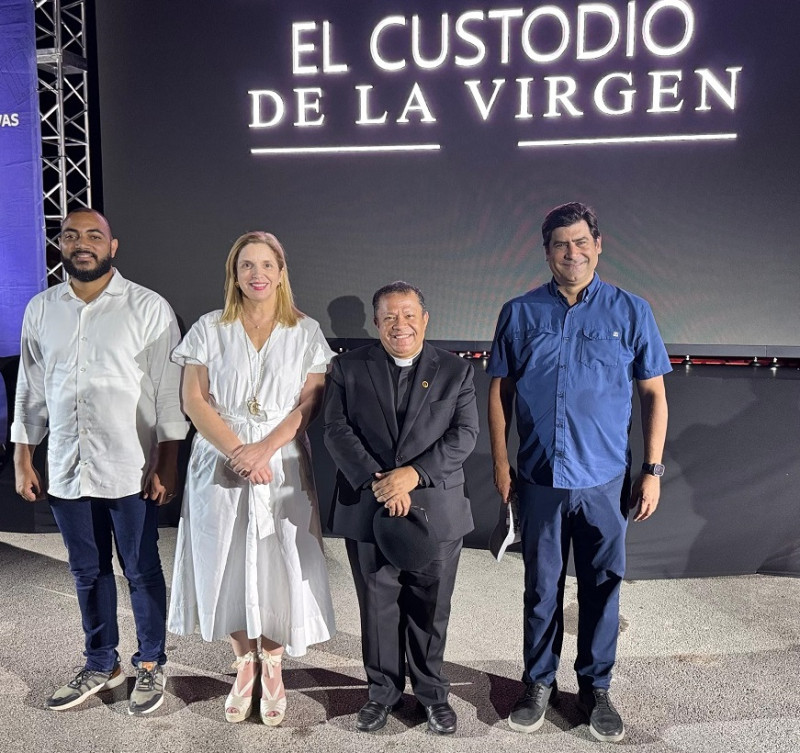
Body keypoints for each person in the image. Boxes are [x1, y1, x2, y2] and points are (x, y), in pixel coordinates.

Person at [487, 202, 670, 743]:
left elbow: (654, 394)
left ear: (598, 244)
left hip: (604, 482)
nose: (572, 253)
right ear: (547, 252)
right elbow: (499, 391)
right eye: (561, 244)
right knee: (541, 589)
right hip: (539, 479)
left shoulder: (631, 312)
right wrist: (500, 464)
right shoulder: (519, 313)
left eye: (581, 242)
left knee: (601, 588)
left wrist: (653, 469)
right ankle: (538, 684)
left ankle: (596, 688)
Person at [12, 207, 188, 715]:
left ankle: (150, 662)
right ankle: (100, 662)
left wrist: (167, 460)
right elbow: (31, 389)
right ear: (60, 246)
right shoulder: (41, 309)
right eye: (71, 235)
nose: (81, 243)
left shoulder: (148, 307)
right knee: (86, 570)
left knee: (141, 568)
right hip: (68, 465)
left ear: (113, 247)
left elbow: (169, 392)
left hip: (131, 465)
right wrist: (24, 456)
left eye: (93, 235)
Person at [167, 231, 335, 726]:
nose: (256, 274)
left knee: (281, 560)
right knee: (226, 557)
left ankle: (274, 665)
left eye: (266, 265)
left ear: (281, 273)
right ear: (234, 274)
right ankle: (245, 663)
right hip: (219, 458)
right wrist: (239, 451)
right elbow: (194, 400)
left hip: (282, 461)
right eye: (246, 265)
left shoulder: (306, 331)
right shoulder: (208, 327)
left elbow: (310, 402)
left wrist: (264, 449)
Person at [323, 281, 479, 735]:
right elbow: (336, 429)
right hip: (370, 505)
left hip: (435, 509)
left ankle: (432, 694)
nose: (400, 325)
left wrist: (413, 475)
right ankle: (382, 694)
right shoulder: (348, 367)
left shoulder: (456, 370)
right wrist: (382, 483)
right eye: (390, 316)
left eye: (409, 315)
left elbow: (464, 435)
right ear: (376, 323)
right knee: (377, 607)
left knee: (431, 608)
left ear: (425, 319)